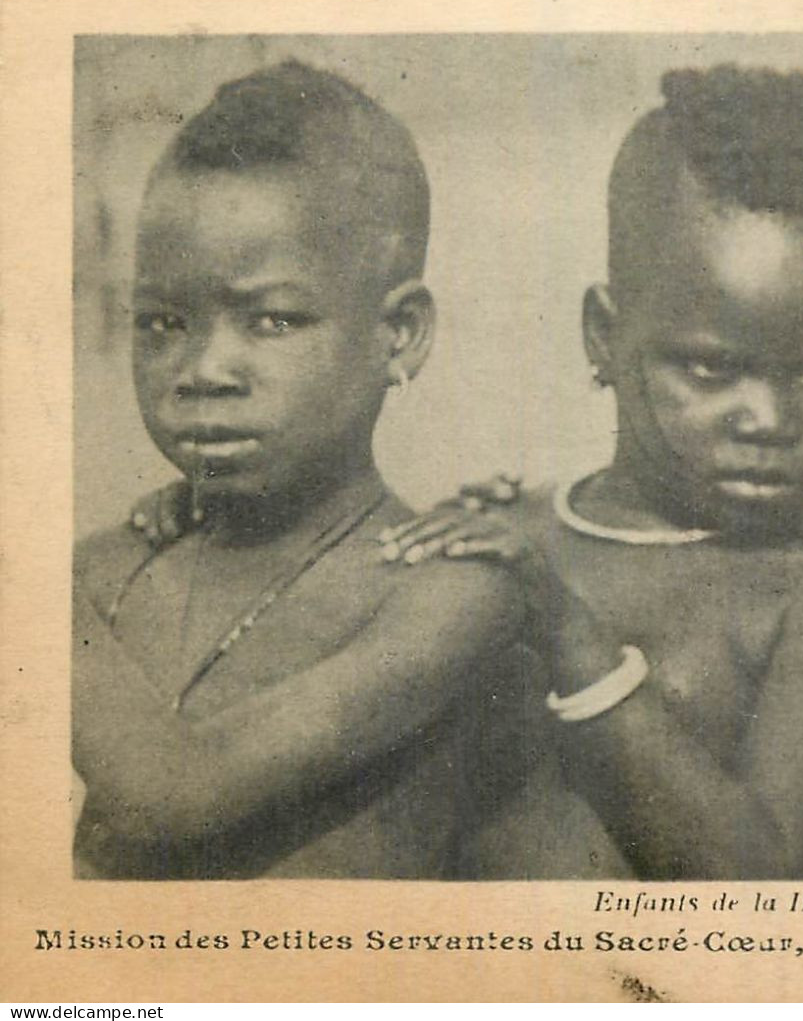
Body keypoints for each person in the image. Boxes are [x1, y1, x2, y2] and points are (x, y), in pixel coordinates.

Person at [380, 65, 803, 880]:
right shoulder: (516, 530)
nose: (768, 418)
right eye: (710, 368)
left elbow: (754, 875)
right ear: (603, 337)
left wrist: (566, 631)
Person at [72, 60, 524, 878]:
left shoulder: (440, 592)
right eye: (163, 321)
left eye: (272, 319)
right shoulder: (108, 569)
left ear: (400, 334)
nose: (205, 367)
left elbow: (171, 791)